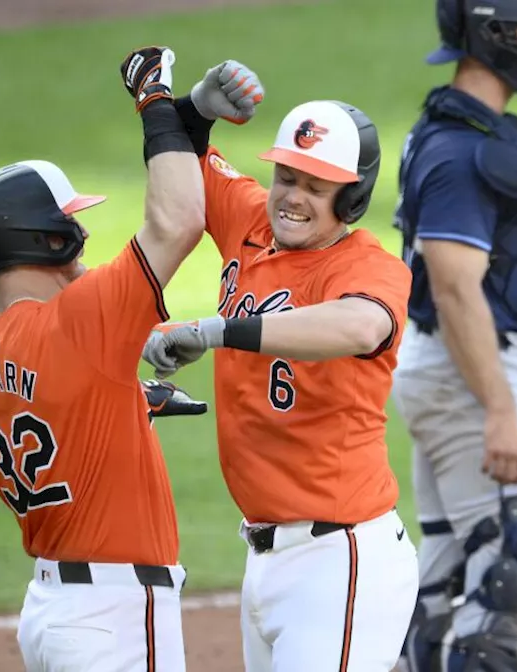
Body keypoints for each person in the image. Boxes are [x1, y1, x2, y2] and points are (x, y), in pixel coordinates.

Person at [0, 46, 257, 671]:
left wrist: (128, 397)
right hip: (114, 615)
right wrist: (159, 107)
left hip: (52, 612)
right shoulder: (78, 320)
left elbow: (56, 406)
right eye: (70, 222)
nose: (84, 233)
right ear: (43, 237)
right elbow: (178, 222)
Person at [140, 65, 420, 670]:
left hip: (341, 558)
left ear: (351, 197)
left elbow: (358, 326)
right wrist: (194, 107)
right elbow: (184, 160)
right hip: (263, 555)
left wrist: (217, 332)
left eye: (315, 186)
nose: (293, 197)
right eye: (286, 176)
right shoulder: (252, 225)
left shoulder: (369, 269)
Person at [388, 0, 517, 669]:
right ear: (491, 34)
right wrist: (499, 409)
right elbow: (452, 288)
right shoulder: (462, 149)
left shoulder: (461, 128)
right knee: (510, 561)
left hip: (447, 371)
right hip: (468, 375)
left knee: (447, 574)